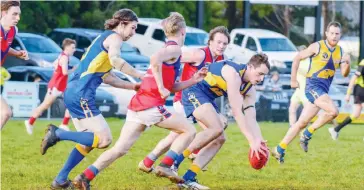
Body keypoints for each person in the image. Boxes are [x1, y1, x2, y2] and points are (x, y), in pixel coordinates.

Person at [72, 12, 208, 189]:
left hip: (139, 104)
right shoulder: (175, 49)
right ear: (183, 31)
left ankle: (84, 177)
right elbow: (154, 59)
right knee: (189, 130)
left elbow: (172, 86)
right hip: (150, 105)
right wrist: (160, 87)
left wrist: (194, 80)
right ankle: (165, 165)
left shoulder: (171, 50)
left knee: (120, 149)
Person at [39, 9, 144, 189]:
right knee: (104, 140)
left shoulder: (104, 38)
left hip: (75, 91)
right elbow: (117, 61)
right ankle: (57, 134)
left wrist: (132, 86)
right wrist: (140, 74)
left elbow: (107, 77)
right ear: (123, 23)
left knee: (87, 142)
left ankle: (60, 180)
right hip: (81, 93)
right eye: (133, 28)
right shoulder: (115, 38)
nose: (133, 33)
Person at [138, 26, 229, 174]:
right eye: (219, 42)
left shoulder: (221, 59)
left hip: (201, 99)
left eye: (225, 44)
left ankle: (149, 161)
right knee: (204, 130)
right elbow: (171, 58)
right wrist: (158, 79)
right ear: (210, 42)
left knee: (185, 133)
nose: (221, 46)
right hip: (184, 98)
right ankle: (185, 157)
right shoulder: (198, 54)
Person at [173, 54, 270, 189]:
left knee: (220, 138)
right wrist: (250, 141)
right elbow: (237, 112)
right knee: (217, 128)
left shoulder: (250, 90)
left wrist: (259, 142)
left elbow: (251, 118)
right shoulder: (233, 74)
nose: (261, 79)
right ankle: (174, 162)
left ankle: (188, 178)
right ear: (250, 66)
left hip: (208, 98)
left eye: (264, 75)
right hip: (194, 90)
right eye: (260, 74)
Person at [272, 21, 351, 164]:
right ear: (326, 34)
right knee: (333, 111)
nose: (334, 36)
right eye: (331, 33)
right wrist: (293, 80)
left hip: (323, 90)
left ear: (340, 35)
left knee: (301, 122)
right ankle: (307, 134)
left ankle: (279, 148)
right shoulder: (317, 46)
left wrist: (347, 62)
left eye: (337, 33)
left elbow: (345, 74)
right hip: (313, 87)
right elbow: (297, 58)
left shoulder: (340, 52)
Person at [24, 38, 76, 135]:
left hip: (60, 84)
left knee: (70, 102)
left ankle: (64, 124)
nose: (74, 49)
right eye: (73, 47)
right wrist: (73, 69)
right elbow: (64, 72)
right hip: (56, 85)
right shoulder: (64, 57)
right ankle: (30, 122)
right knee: (45, 105)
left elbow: (55, 65)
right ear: (67, 47)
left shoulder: (62, 56)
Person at [1, 0, 28, 129]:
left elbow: (5, 48)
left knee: (6, 113)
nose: (18, 18)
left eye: (19, 14)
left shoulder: (13, 31)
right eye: (14, 14)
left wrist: (17, 53)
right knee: (5, 112)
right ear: (4, 13)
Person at [328, 59, 364, 140]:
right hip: (360, 89)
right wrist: (348, 93)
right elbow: (353, 78)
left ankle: (335, 130)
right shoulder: (363, 63)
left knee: (355, 114)